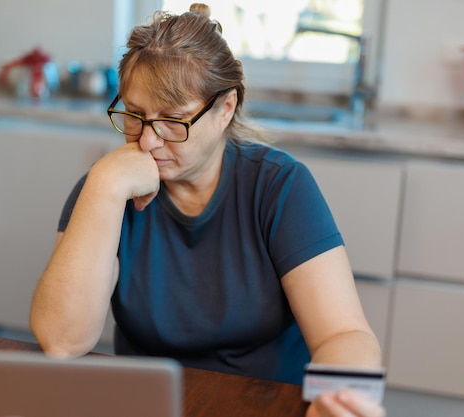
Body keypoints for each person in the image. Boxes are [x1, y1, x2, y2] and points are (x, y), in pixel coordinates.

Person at [30, 3, 385, 416]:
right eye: (135, 115)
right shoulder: (108, 186)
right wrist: (104, 188)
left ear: (225, 108)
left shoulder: (279, 186)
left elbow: (344, 333)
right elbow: (61, 341)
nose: (147, 141)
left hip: (266, 406)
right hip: (150, 406)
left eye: (173, 120)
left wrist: (338, 401)